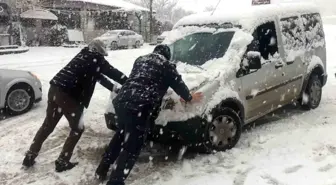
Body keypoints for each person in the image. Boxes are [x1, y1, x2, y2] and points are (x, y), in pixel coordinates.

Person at [95, 44, 203, 185]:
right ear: (167, 56)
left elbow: (141, 79)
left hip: (122, 102)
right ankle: (116, 182)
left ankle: (102, 170)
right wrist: (189, 97)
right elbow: (178, 83)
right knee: (132, 147)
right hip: (139, 106)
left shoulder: (140, 60)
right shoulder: (166, 64)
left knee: (121, 135)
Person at [22, 39, 128, 172]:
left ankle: (30, 156)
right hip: (68, 95)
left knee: (48, 125)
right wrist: (129, 81)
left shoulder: (83, 55)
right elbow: (113, 72)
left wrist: (114, 88)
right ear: (98, 52)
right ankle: (62, 161)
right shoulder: (96, 59)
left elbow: (98, 77)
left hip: (54, 89)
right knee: (77, 128)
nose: (102, 56)